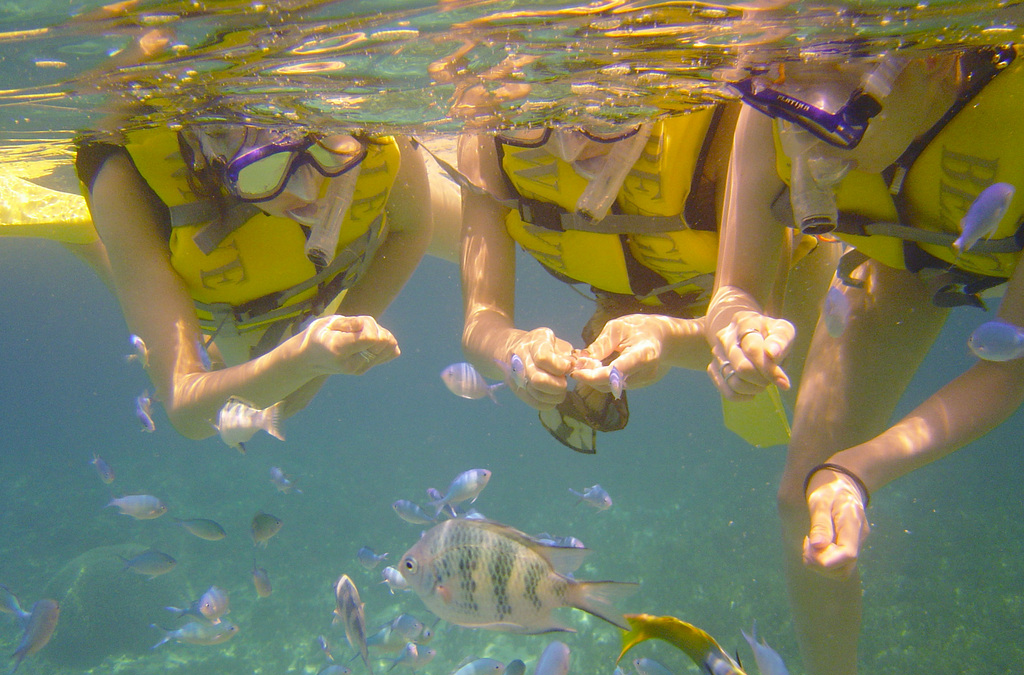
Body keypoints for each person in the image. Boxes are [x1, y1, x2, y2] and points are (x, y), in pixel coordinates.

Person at [705, 46, 1024, 675]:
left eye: (836, 120)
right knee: (801, 498)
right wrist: (736, 327)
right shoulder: (771, 81)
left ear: (933, 66)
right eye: (789, 104)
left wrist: (861, 470)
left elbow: (1011, 370)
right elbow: (734, 289)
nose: (809, 143)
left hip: (957, 240)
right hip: (897, 255)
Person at [457, 106, 831, 452]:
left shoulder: (731, 118)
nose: (570, 148)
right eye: (537, 121)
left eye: (604, 116)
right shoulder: (488, 122)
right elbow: (481, 321)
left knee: (822, 445)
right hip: (616, 267)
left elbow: (747, 324)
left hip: (788, 273)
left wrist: (665, 338)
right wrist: (513, 351)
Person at [77, 119, 433, 439]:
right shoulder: (119, 178)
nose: (307, 193)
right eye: (266, 171)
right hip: (215, 298)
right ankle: (83, 240)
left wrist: (335, 340)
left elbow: (413, 227)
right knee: (224, 362)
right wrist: (302, 362)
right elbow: (186, 408)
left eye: (325, 151)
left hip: (336, 258)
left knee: (449, 206)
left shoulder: (366, 122)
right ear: (212, 156)